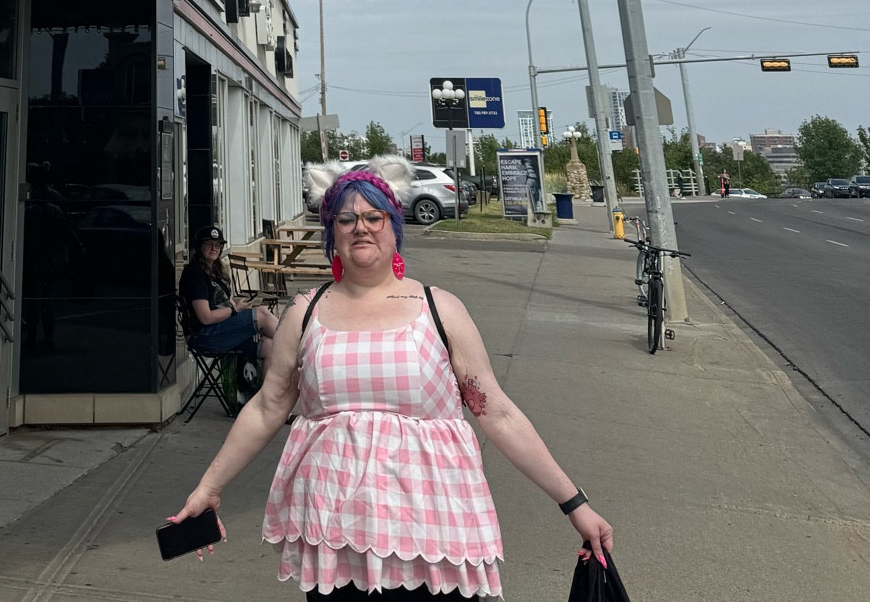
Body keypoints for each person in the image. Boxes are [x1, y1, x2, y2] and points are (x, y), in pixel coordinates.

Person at [169, 167, 614, 596]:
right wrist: (208, 488)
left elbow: (495, 411)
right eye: (346, 218)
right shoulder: (304, 313)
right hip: (334, 532)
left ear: (393, 227)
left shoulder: (440, 309)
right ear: (332, 234)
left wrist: (574, 503)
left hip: (433, 531)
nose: (360, 227)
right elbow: (268, 407)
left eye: (373, 216)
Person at [179, 223, 278, 365]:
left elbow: (229, 302)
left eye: (217, 245)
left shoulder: (215, 270)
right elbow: (205, 317)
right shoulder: (195, 274)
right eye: (209, 244)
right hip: (203, 336)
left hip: (221, 329)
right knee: (262, 313)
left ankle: (270, 388)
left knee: (269, 346)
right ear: (200, 246)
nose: (214, 249)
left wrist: (253, 326)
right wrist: (236, 310)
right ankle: (299, 347)